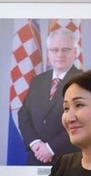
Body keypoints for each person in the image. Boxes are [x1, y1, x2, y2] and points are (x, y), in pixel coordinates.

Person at [17, 27, 82, 165]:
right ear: (48, 53)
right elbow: (23, 115)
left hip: (68, 160)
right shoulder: (38, 80)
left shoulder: (85, 82)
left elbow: (82, 121)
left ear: (75, 52)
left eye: (65, 49)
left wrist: (51, 148)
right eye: (54, 50)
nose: (60, 54)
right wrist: (35, 144)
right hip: (36, 158)